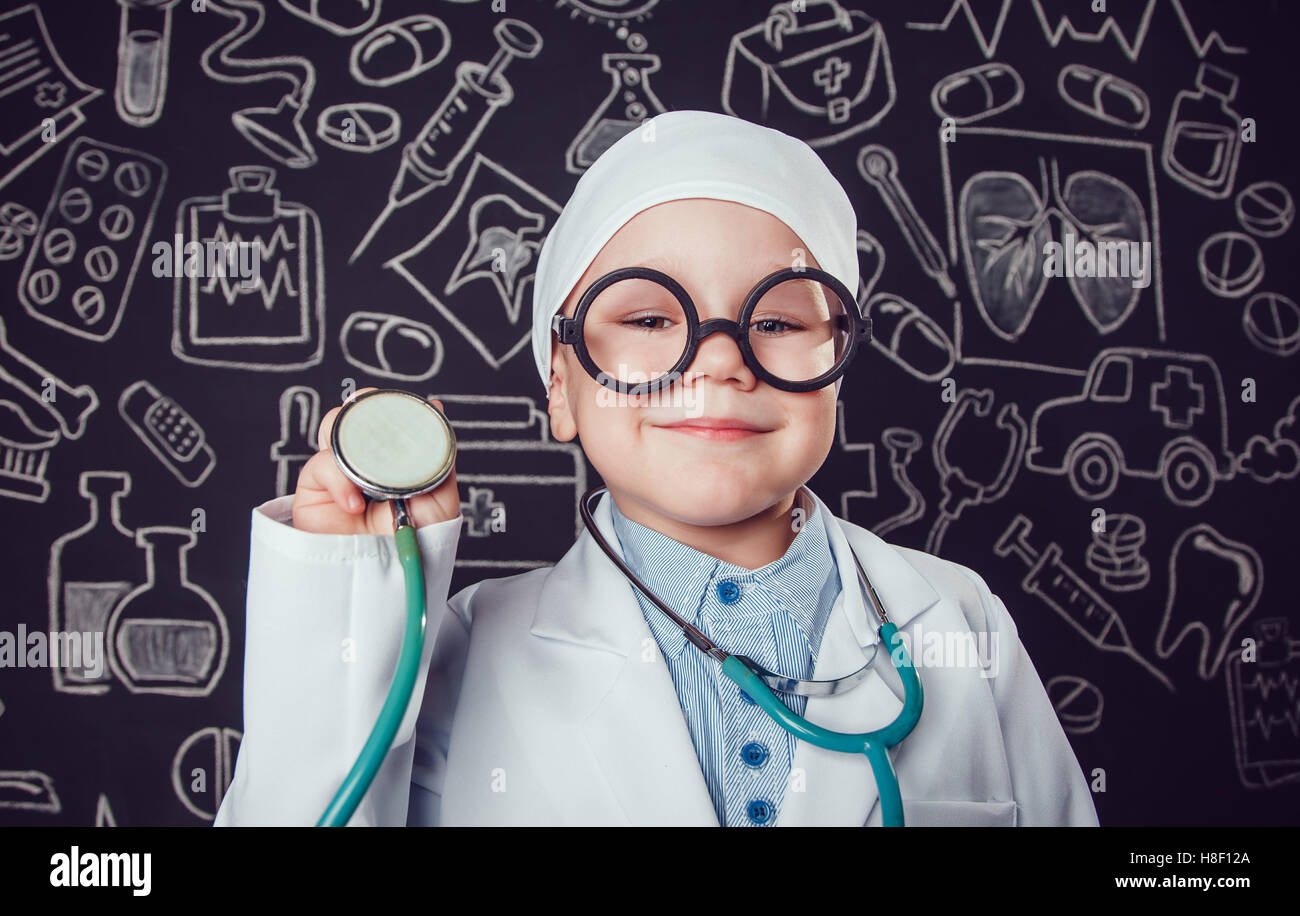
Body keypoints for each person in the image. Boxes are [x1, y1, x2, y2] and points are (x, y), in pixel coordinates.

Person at [213, 110, 1098, 827]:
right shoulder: (453, 648)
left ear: (837, 374)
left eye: (780, 323)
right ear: (559, 387)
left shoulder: (960, 621)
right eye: (646, 320)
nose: (719, 361)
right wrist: (353, 595)